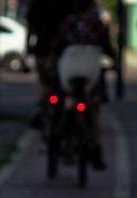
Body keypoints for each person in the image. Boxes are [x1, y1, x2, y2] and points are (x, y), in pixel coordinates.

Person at [54, 0, 116, 169]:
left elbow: (58, 45)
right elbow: (107, 47)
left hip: (70, 69)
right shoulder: (97, 24)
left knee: (68, 97)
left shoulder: (68, 23)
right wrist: (114, 62)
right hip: (91, 69)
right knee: (94, 112)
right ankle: (97, 150)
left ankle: (66, 135)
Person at [25, 0, 71, 124]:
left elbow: (31, 25)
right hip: (63, 51)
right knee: (64, 84)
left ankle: (40, 109)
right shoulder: (67, 4)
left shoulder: (37, 4)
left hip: (42, 48)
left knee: (44, 82)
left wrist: (28, 46)